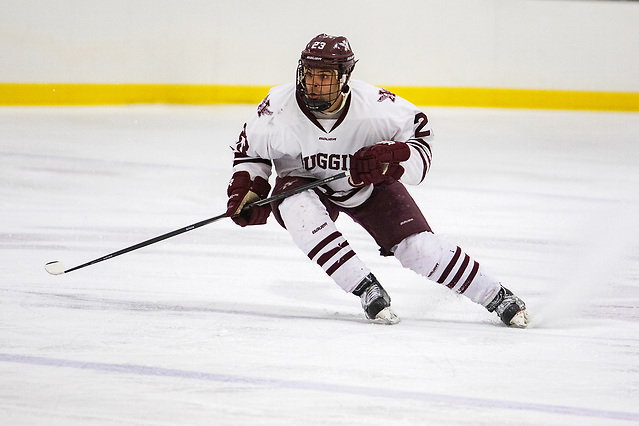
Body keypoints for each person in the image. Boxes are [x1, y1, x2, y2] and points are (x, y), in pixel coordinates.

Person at [225, 33, 529, 327]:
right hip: (303, 184)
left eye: (324, 77)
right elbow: (250, 152)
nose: (313, 85)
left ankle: (496, 295)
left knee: (418, 249)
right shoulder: (277, 107)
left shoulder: (377, 106)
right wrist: (248, 190)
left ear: (344, 77)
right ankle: (364, 286)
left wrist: (388, 160)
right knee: (297, 208)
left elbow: (421, 143)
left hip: (367, 188)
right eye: (308, 75)